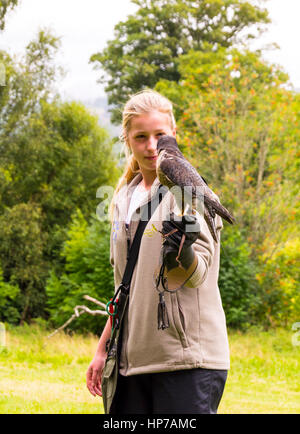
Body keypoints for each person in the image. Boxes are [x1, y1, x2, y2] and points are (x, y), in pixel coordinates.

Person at [86, 89, 230, 414]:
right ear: (127, 139)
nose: (151, 146)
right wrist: (103, 349)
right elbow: (125, 287)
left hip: (188, 361)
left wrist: (183, 252)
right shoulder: (124, 199)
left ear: (173, 135)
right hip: (132, 363)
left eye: (159, 135)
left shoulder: (189, 189)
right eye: (141, 137)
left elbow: (198, 273)